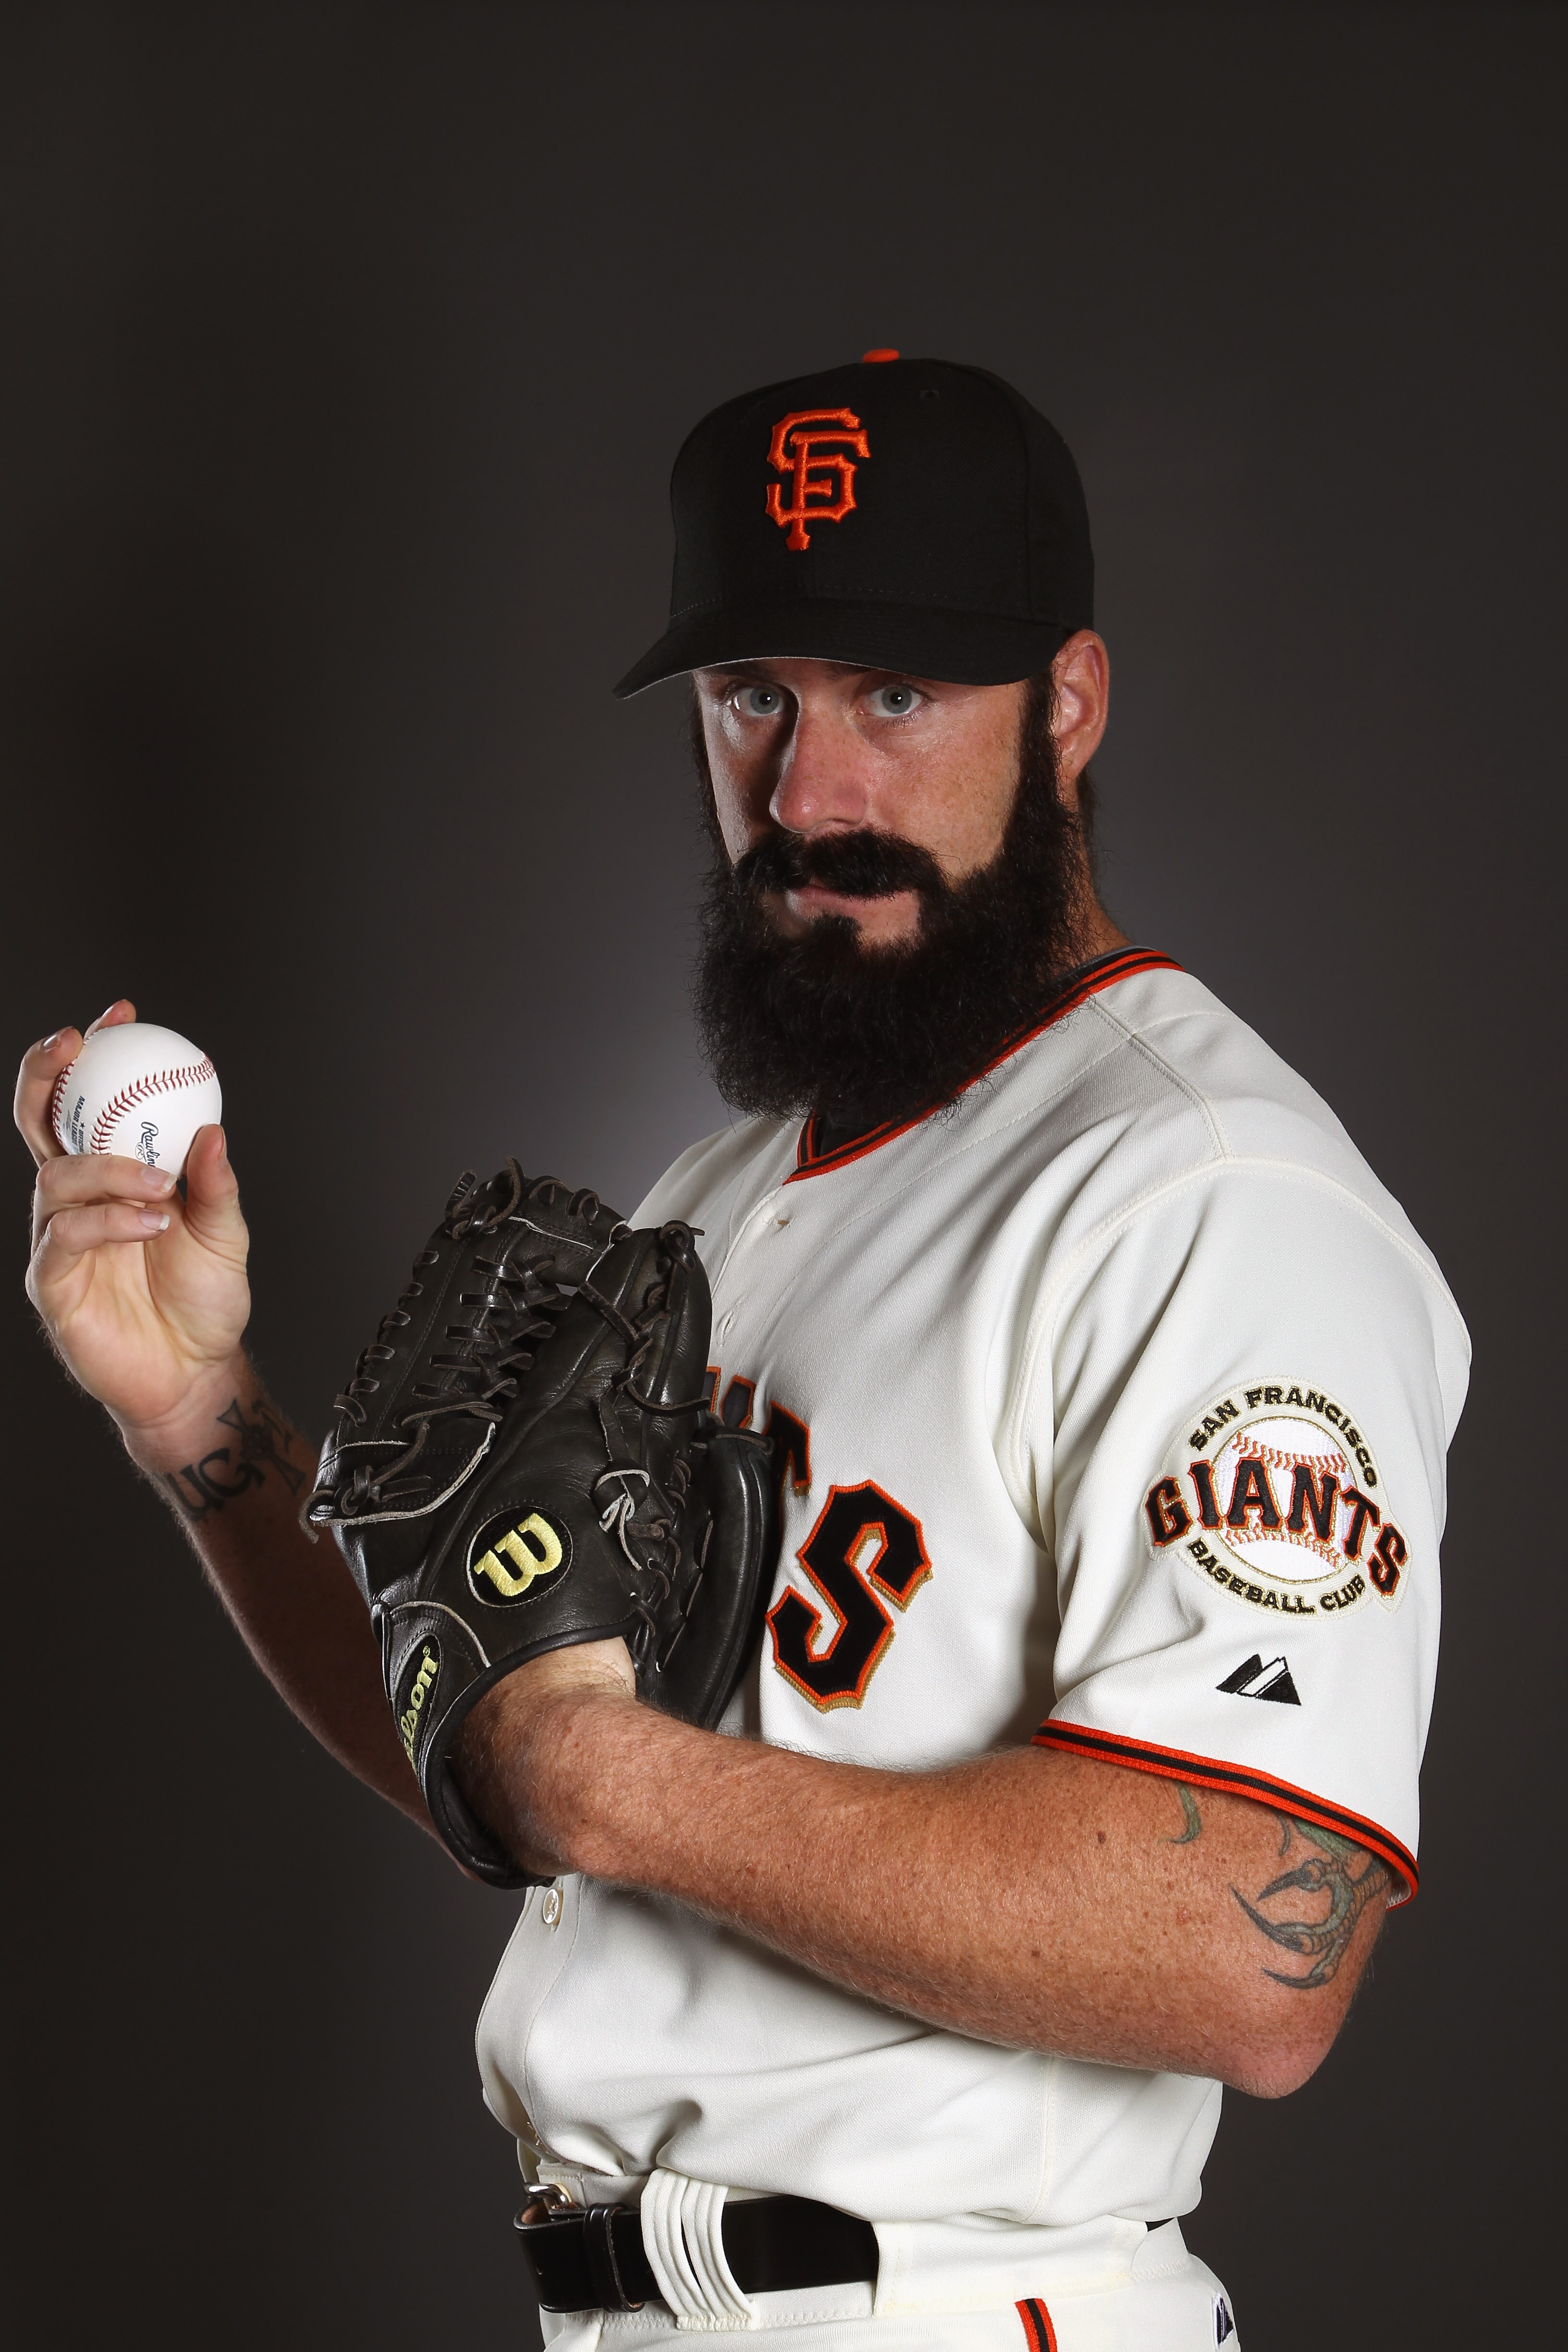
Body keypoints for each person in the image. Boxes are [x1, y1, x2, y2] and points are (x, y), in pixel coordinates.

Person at [17, 355, 1469, 2352]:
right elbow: (495, 1744)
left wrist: (598, 1778)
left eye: (898, 694)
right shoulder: (720, 1197)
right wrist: (194, 1409)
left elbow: (1251, 1953)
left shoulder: (1211, 1194)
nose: (811, 794)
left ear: (1071, 704)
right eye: (753, 697)